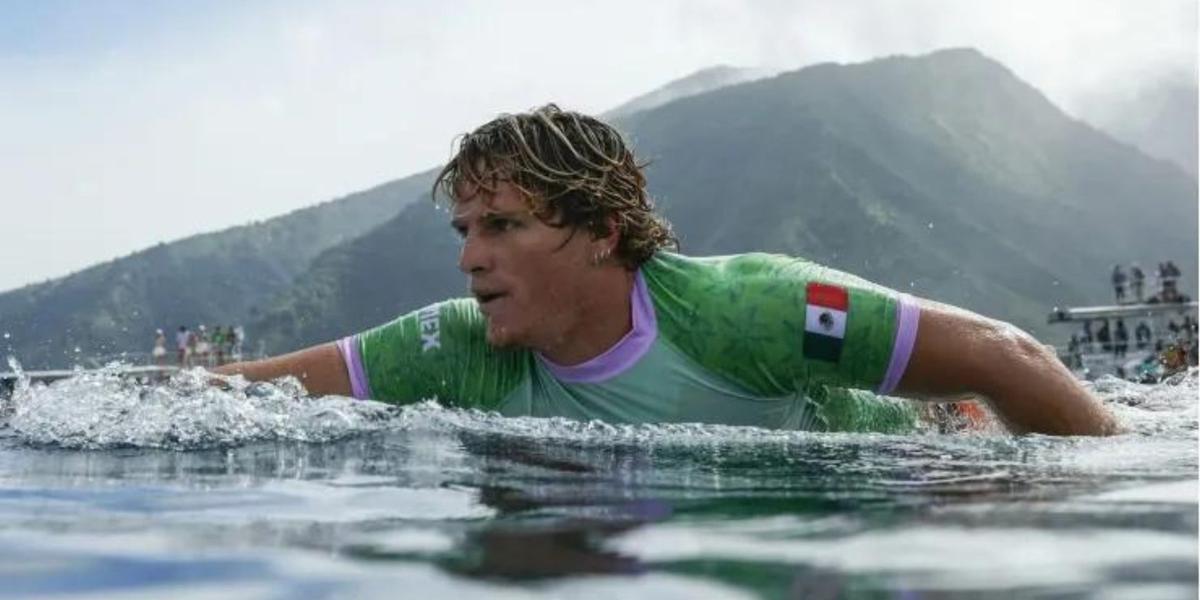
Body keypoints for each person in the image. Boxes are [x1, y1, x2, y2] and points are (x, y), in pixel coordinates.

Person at [216, 105, 1118, 436]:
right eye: (464, 228)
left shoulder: (749, 308)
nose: (469, 257)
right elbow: (231, 398)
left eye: (502, 225)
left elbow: (1013, 360)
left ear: (603, 231)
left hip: (905, 469)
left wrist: (1095, 525)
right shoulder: (455, 346)